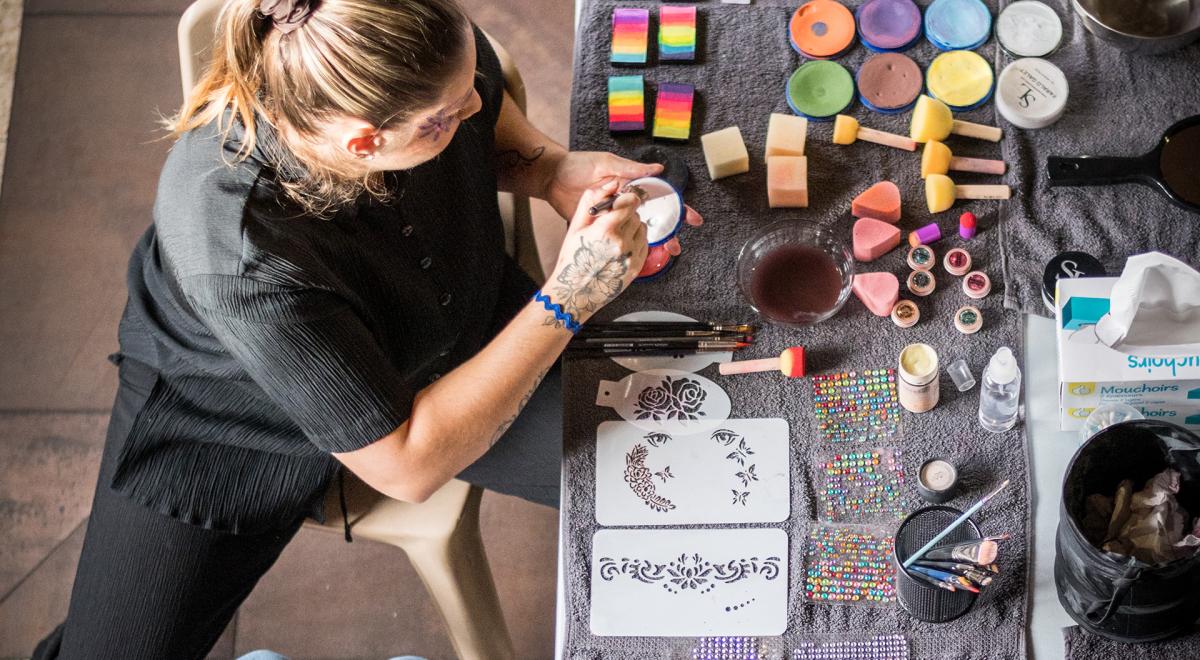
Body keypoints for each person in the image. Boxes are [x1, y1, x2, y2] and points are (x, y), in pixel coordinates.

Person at [33, 0, 699, 657]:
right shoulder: (239, 255)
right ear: (363, 143)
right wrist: (567, 299)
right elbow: (406, 466)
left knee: (678, 481)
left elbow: (486, 123)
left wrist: (549, 167)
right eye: (445, 116)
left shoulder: (432, 49)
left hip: (451, 336)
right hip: (226, 423)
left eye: (470, 84)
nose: (472, 108)